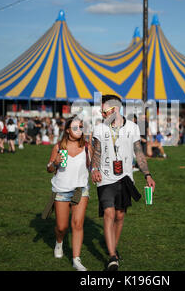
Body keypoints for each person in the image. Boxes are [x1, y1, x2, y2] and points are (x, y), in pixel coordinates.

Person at [91, 94, 156, 271]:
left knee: (120, 216)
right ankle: (112, 257)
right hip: (105, 178)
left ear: (115, 109)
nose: (101, 113)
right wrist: (94, 169)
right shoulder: (99, 129)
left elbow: (139, 153)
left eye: (104, 110)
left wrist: (147, 175)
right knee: (109, 213)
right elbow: (96, 152)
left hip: (125, 177)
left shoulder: (133, 128)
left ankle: (113, 248)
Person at [43, 117, 92, 271]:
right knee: (62, 227)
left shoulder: (87, 147)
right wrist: (55, 162)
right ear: (68, 130)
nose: (79, 130)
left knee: (77, 224)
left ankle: (76, 259)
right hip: (61, 190)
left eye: (81, 127)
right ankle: (59, 243)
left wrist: (95, 168)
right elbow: (49, 169)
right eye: (75, 127)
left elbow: (92, 168)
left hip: (81, 189)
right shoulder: (58, 146)